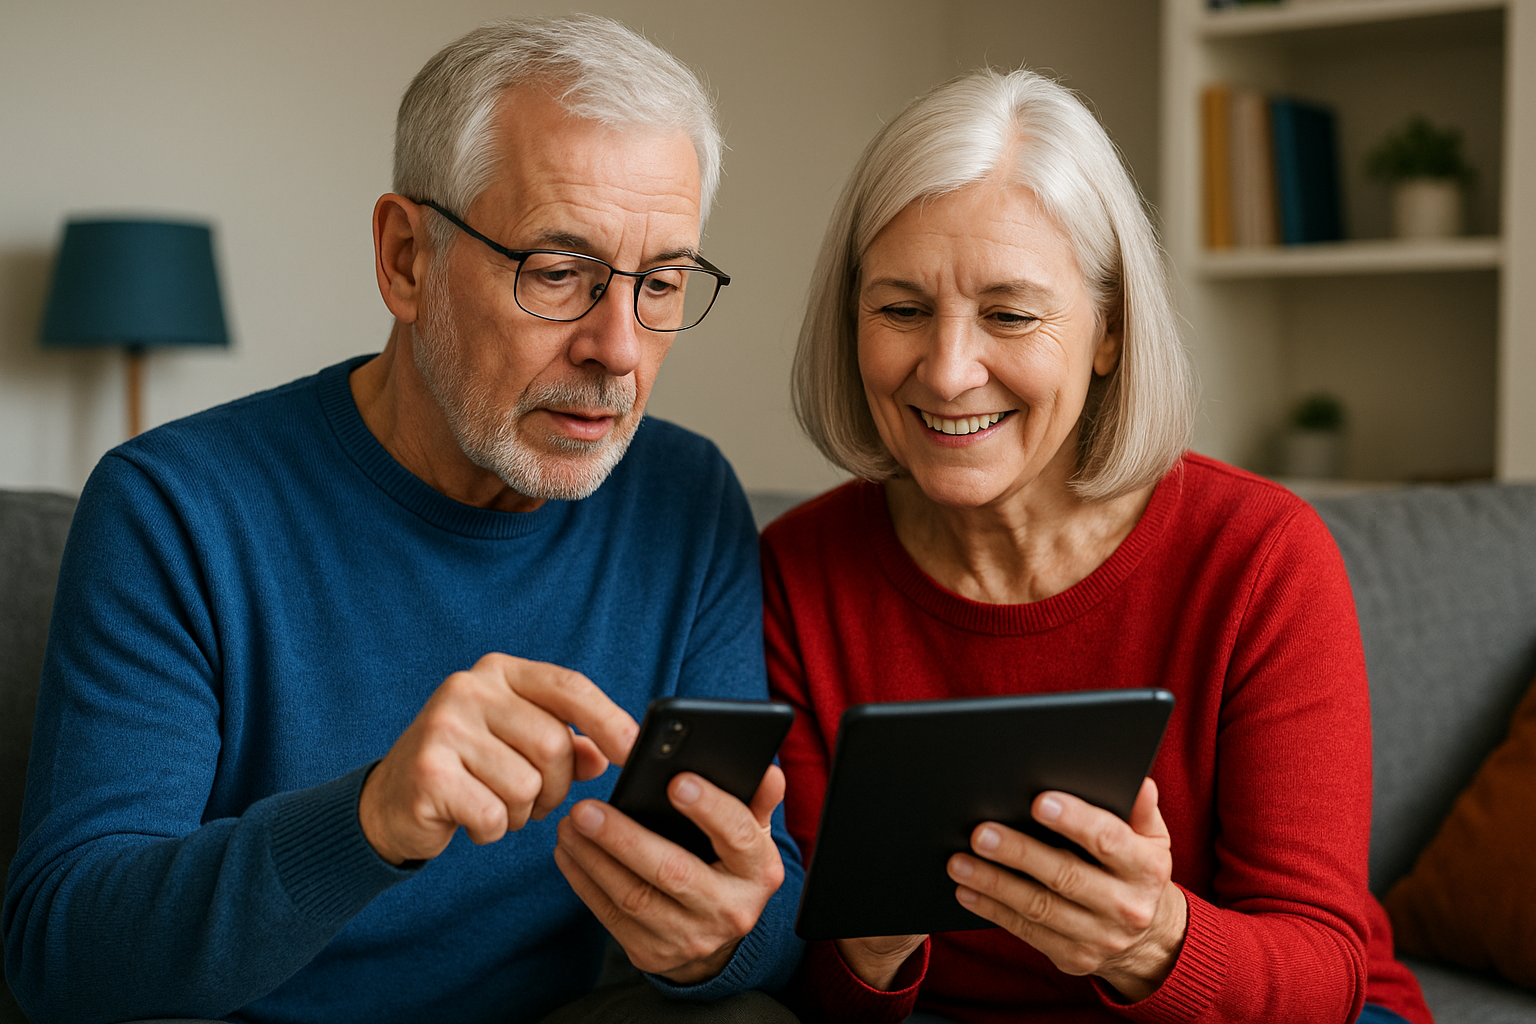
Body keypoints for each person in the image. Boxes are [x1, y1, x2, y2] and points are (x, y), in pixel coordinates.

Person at [3, 16, 802, 1024]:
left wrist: (725, 938)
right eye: (558, 272)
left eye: (662, 284)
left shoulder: (684, 499)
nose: (620, 349)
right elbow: (61, 955)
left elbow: (770, 904)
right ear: (405, 258)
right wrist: (371, 816)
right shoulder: (176, 509)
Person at [762, 68, 1433, 1024]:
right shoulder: (798, 574)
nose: (949, 372)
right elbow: (823, 995)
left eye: (1010, 313)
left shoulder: (1260, 557)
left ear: (1108, 332)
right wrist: (861, 951)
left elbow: (1327, 973)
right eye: (902, 309)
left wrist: (1153, 941)